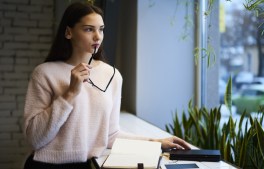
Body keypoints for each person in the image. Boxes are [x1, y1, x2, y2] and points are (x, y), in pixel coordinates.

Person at [23, 2, 190, 169]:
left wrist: (156, 142)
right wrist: (70, 93)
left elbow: (110, 135)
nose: (97, 36)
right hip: (45, 165)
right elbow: (34, 138)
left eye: (101, 29)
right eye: (89, 29)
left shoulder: (112, 75)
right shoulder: (44, 73)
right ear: (68, 32)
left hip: (88, 165)